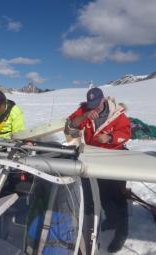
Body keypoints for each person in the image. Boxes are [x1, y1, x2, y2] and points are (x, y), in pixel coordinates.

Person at [65, 87, 131, 253]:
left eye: (97, 104)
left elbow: (126, 133)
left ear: (103, 100)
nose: (94, 108)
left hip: (114, 159)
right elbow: (70, 126)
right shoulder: (85, 110)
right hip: (93, 159)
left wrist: (110, 138)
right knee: (100, 194)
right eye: (91, 105)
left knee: (117, 197)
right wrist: (84, 116)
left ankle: (122, 233)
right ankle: (110, 219)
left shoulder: (117, 114)